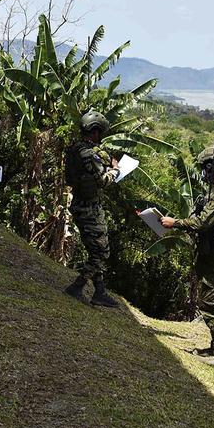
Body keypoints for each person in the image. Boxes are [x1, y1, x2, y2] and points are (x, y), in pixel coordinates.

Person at [160, 145, 214, 365]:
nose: (203, 172)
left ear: (212, 167)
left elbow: (201, 223)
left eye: (205, 167)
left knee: (211, 304)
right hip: (213, 254)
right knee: (211, 300)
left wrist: (175, 223)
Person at [63, 110, 121, 308]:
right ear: (94, 131)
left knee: (95, 249)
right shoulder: (88, 153)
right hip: (89, 208)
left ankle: (100, 291)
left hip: (81, 204)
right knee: (101, 253)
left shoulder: (75, 148)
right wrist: (115, 170)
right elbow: (102, 181)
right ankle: (77, 286)